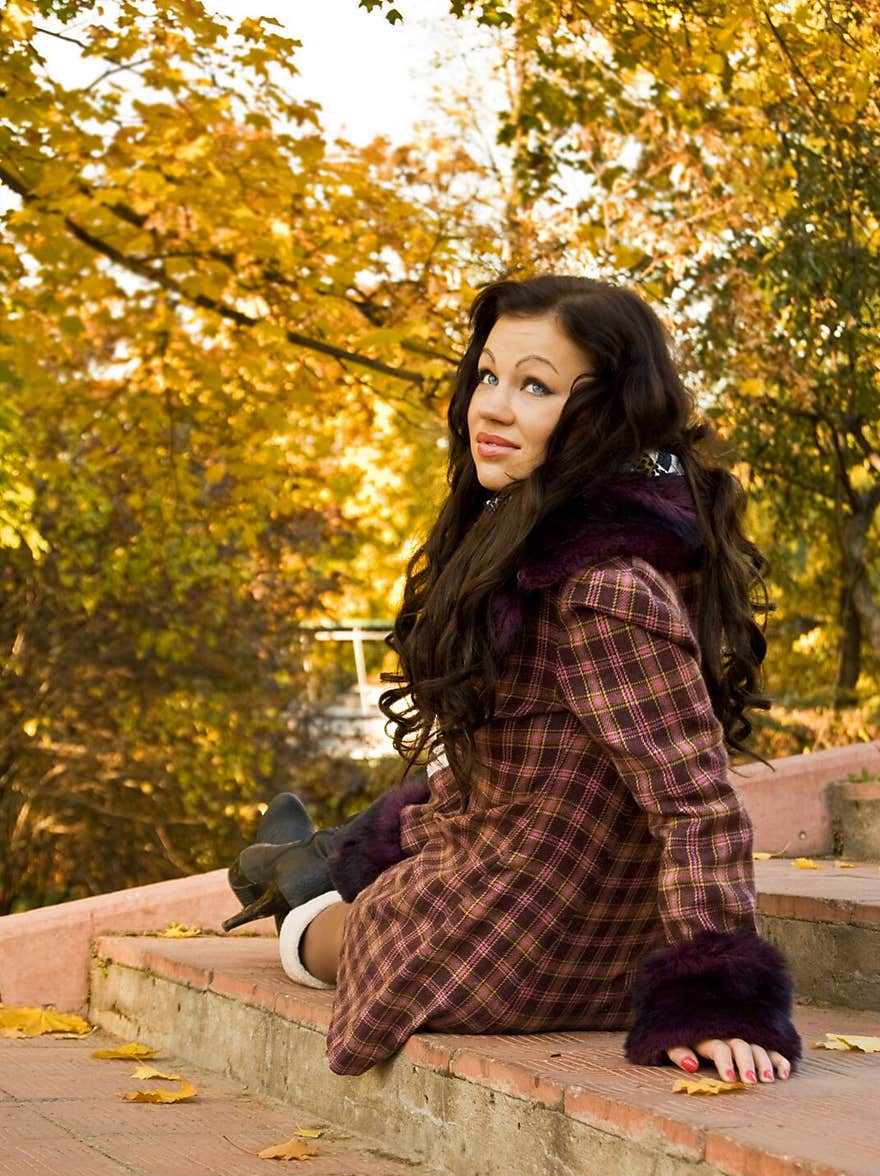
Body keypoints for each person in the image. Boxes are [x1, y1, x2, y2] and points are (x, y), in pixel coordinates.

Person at [223, 273, 803, 1085]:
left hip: (504, 938)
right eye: (488, 376)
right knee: (428, 807)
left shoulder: (601, 583)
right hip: (578, 919)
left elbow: (695, 799)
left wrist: (717, 1002)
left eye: (536, 385)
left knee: (351, 930)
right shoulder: (578, 543)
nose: (491, 407)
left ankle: (296, 888)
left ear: (605, 412)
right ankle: (316, 855)